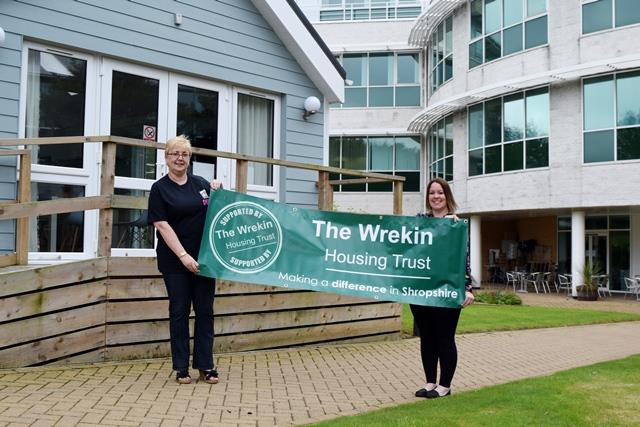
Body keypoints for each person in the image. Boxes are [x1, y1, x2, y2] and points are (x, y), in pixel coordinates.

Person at [147, 135, 223, 385]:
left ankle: (206, 365)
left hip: (204, 260)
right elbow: (162, 225)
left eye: (185, 154)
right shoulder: (159, 189)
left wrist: (219, 192)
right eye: (175, 154)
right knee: (179, 312)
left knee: (205, 312)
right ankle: (181, 368)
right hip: (175, 261)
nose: (180, 158)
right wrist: (183, 256)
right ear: (166, 157)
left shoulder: (201, 184)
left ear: (190, 159)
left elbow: (218, 212)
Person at [411, 177, 474, 398]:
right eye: (432, 193)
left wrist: (468, 288)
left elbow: (464, 259)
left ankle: (445, 385)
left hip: (447, 291)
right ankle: (430, 382)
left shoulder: (457, 224)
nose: (436, 196)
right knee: (427, 337)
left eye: (440, 192)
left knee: (444, 337)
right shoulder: (419, 221)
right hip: (421, 291)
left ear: (447, 196)